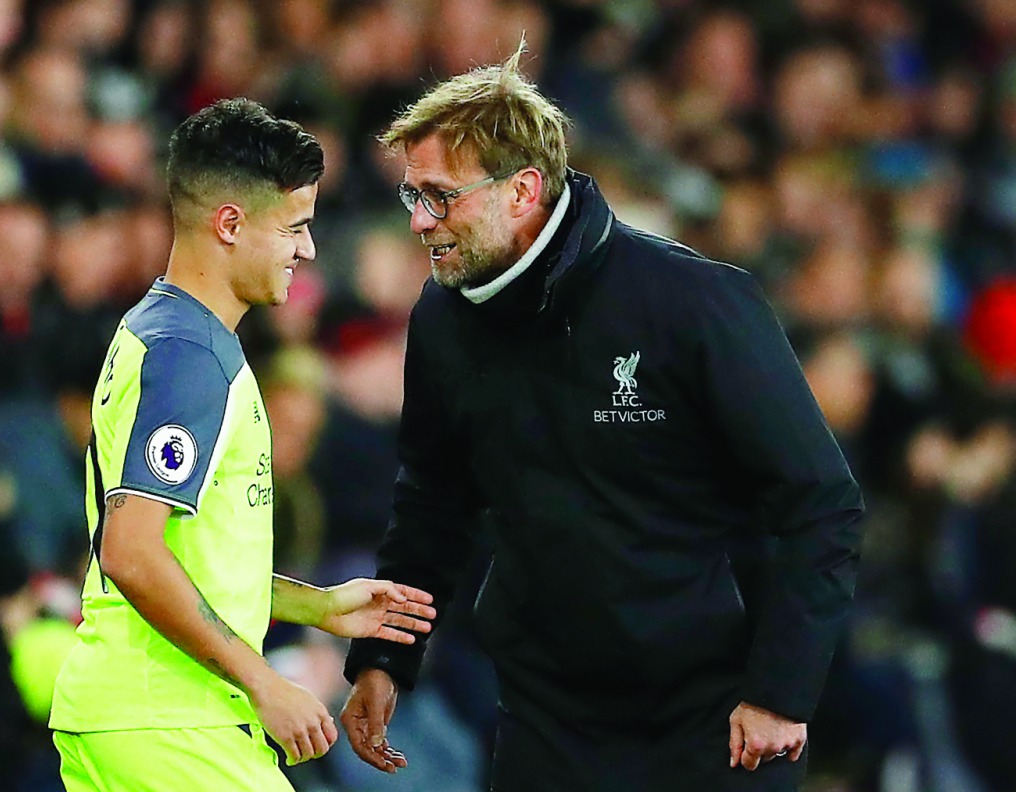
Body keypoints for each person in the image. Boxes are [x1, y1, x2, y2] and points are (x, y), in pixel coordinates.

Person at [339, 45, 865, 791]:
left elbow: (821, 503)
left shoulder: (695, 304)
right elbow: (432, 499)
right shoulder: (442, 318)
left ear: (521, 190)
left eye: (439, 196)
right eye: (410, 196)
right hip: (543, 718)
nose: (420, 222)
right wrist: (387, 657)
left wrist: (780, 692)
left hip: (712, 721)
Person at [48, 98, 436, 792]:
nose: (308, 250)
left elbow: (183, 559)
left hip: (138, 717)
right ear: (230, 223)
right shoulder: (189, 354)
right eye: (294, 227)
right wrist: (264, 681)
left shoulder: (164, 333)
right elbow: (131, 552)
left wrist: (316, 607)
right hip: (169, 724)